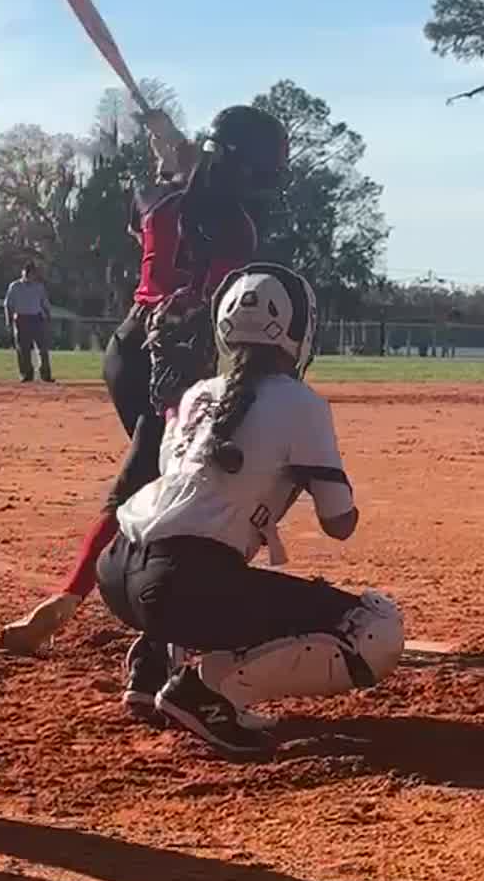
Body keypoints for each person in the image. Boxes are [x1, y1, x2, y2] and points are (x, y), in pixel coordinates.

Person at [0, 104, 287, 686]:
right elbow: (220, 304)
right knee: (157, 483)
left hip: (125, 351)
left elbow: (163, 206)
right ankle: (82, 603)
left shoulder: (157, 200)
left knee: (159, 478)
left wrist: (172, 159)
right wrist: (178, 155)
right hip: (174, 364)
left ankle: (133, 599)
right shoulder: (240, 228)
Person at [96, 263, 405, 758]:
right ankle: (205, 693)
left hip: (116, 569)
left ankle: (153, 664)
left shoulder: (197, 394)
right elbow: (339, 523)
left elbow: (180, 494)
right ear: (297, 331)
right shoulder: (300, 402)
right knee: (375, 629)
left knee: (208, 555)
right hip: (175, 586)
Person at [4, 261, 53, 383]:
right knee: (23, 350)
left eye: (32, 273)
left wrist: (48, 318)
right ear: (23, 273)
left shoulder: (39, 287)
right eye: (27, 272)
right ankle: (26, 375)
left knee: (43, 349)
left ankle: (45, 375)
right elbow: (8, 305)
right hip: (21, 319)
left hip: (37, 319)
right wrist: (8, 321)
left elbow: (45, 304)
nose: (29, 275)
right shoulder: (15, 286)